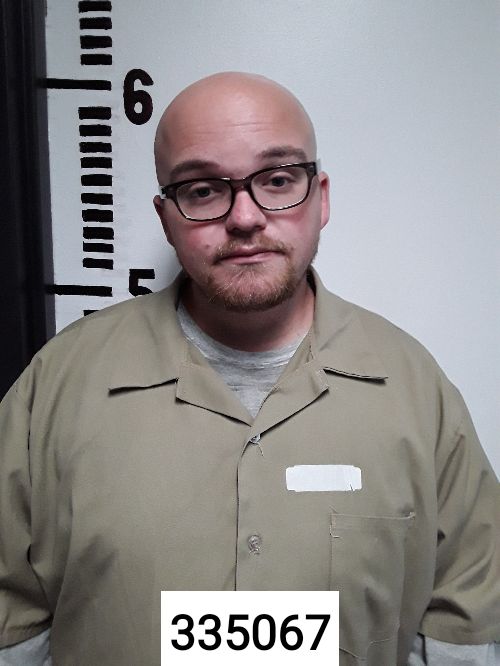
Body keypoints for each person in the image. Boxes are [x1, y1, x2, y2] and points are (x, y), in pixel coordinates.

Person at [0, 72, 498, 666]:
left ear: (321, 198)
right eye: (202, 189)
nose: (244, 217)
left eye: (278, 179)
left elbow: (465, 622)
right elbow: (11, 621)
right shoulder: (58, 385)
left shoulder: (414, 389)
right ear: (165, 217)